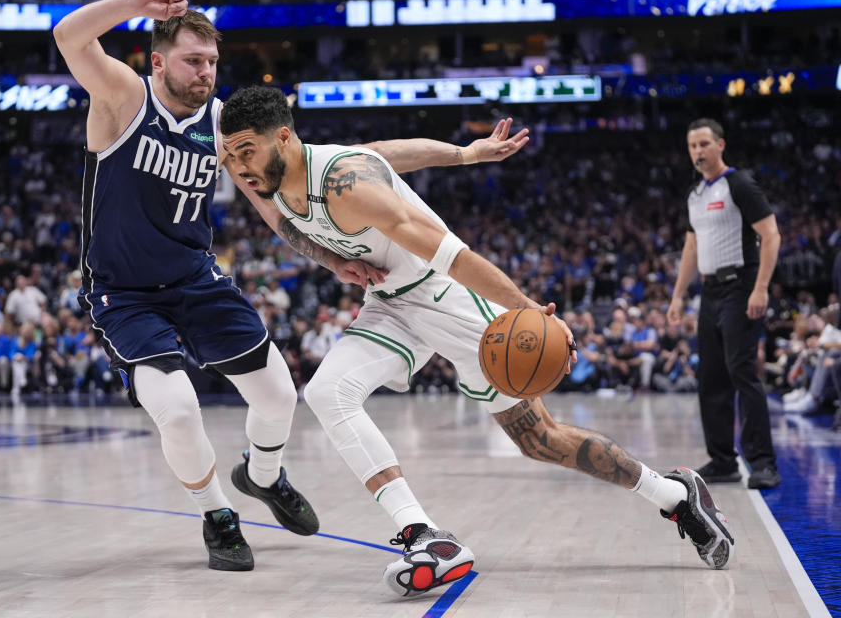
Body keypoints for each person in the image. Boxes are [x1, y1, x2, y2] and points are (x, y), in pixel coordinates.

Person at [52, 0, 527, 572]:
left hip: (196, 279)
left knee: (279, 393)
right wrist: (137, 3)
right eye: (193, 61)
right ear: (157, 61)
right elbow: (67, 35)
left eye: (212, 62)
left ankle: (264, 474)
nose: (205, 72)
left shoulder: (222, 123)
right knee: (175, 408)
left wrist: (333, 260)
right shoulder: (123, 96)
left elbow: (273, 209)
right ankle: (218, 516)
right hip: (123, 292)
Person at [220, 86, 736, 597]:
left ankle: (673, 493)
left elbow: (458, 258)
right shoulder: (280, 176)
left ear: (283, 138)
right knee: (328, 391)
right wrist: (462, 155)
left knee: (540, 441)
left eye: (247, 151)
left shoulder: (344, 186)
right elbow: (383, 153)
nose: (239, 166)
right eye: (230, 154)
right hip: (390, 302)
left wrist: (530, 311)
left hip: (449, 297)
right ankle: (424, 536)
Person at [668, 118, 782, 489]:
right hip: (710, 292)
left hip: (741, 286)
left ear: (720, 145)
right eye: (692, 146)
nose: (698, 151)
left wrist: (761, 288)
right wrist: (678, 295)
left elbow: (771, 235)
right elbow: (691, 247)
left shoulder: (740, 184)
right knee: (711, 379)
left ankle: (763, 463)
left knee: (742, 372)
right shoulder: (695, 194)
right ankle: (722, 461)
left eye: (704, 144)